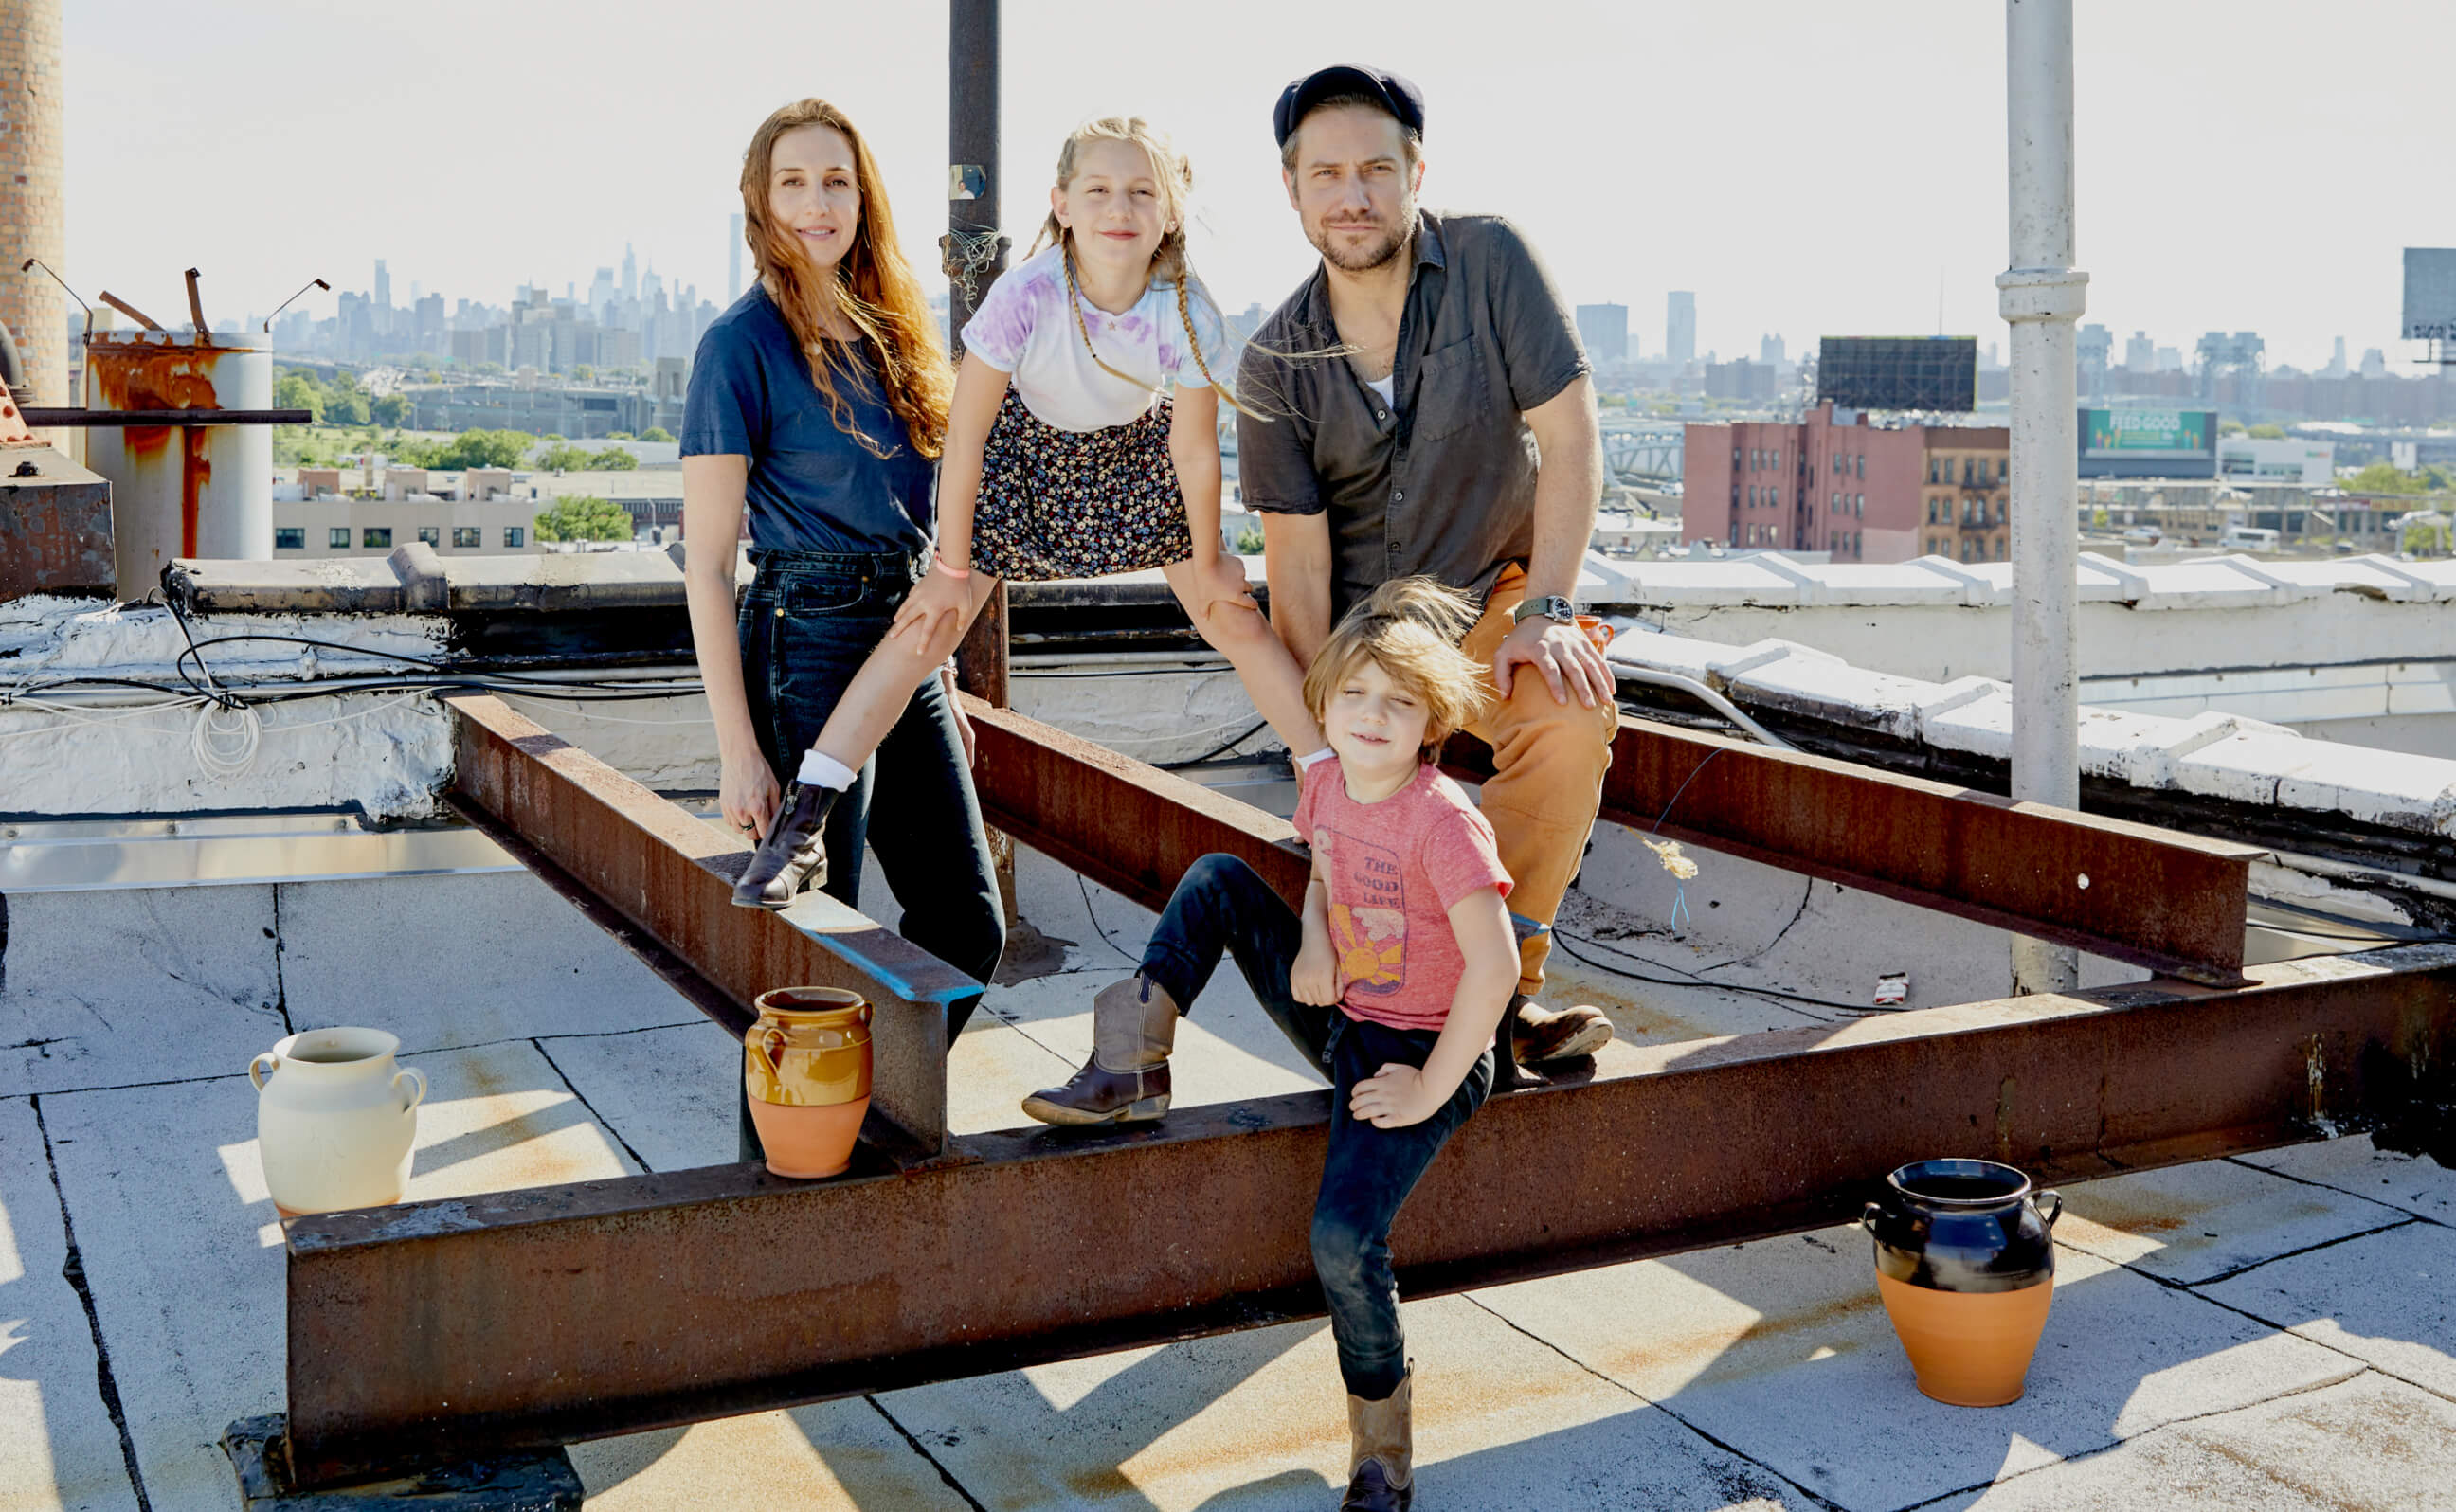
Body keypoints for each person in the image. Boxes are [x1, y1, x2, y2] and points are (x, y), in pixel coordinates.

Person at [731, 116, 1326, 909]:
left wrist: (1209, 548)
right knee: (927, 625)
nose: (1121, 207)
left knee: (1230, 611)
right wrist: (949, 569)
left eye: (1142, 192)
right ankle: (806, 812)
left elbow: (1190, 447)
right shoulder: (1029, 294)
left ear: (1170, 212)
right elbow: (968, 433)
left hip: (1129, 459)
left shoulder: (1186, 307)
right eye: (1099, 189)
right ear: (1063, 203)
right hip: (1017, 457)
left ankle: (1334, 788)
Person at [1023, 577, 1515, 1512]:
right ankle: (1133, 1056)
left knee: (1342, 1236)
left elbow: (1491, 973)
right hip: (1347, 1012)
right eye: (1356, 695)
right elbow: (1324, 865)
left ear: (1431, 721)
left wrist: (1425, 1089)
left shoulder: (1443, 822)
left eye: (1399, 703)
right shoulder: (1327, 779)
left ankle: (1383, 1448)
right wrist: (1318, 938)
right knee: (1215, 878)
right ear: (1325, 699)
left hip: (1422, 1048)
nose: (1372, 717)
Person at [1237, 65, 1620, 1088]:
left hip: (1496, 597)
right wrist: (1326, 742)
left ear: (1415, 172)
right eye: (1326, 174)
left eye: (1374, 168)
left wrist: (1549, 609)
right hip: (1372, 639)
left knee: (1568, 718)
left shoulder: (1491, 259)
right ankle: (1439, 1001)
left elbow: (1571, 439)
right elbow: (1299, 571)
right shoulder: (1276, 361)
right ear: (1292, 189)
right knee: (1370, 788)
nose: (1351, 194)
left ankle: (1507, 991)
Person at [678, 99, 1005, 1139]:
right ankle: (782, 1183)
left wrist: (936, 667)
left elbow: (949, 517)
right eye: (794, 183)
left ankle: (860, 1120)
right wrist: (737, 751)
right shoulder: (738, 346)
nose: (818, 204)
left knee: (965, 920)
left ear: (864, 196)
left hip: (904, 643)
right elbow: (707, 566)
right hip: (803, 640)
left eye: (837, 181)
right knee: (817, 951)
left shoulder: (897, 331)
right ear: (759, 202)